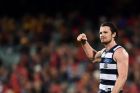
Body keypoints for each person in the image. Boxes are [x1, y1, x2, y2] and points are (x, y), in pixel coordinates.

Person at [77, 22, 129, 93]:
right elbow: (93, 57)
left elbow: (122, 77)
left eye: (105, 32)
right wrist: (84, 42)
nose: (102, 35)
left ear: (113, 34)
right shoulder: (104, 52)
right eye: (100, 33)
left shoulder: (120, 52)